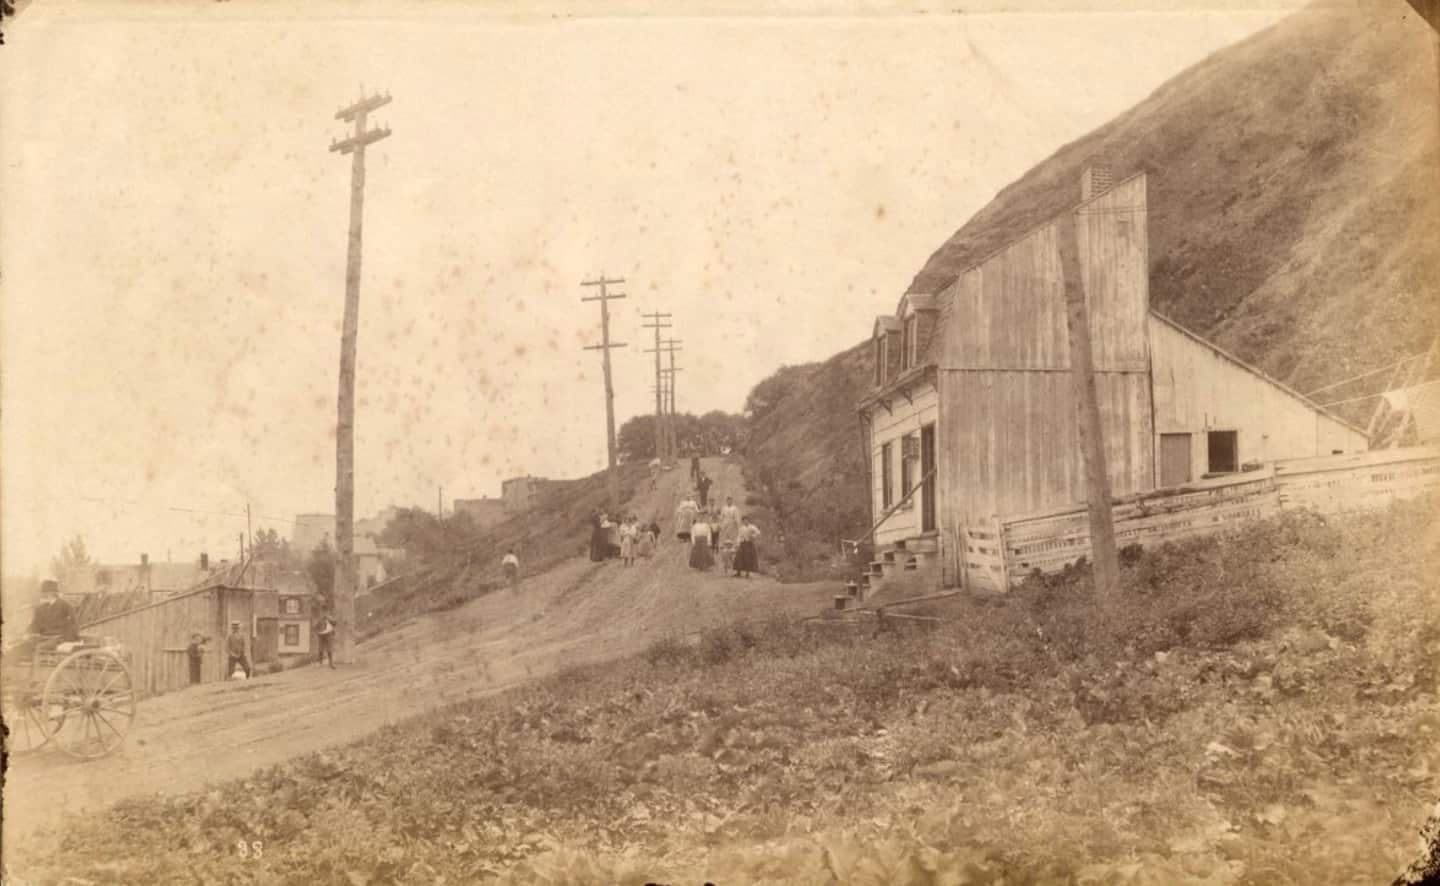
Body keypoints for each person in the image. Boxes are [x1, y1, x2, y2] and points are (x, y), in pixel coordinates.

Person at [27, 580, 79, 644]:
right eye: (43, 594)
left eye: (46, 593)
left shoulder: (65, 605)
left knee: (41, 647)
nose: (44, 596)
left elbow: (74, 624)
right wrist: (29, 633)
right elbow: (35, 623)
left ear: (53, 594)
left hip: (60, 638)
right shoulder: (40, 608)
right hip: (43, 637)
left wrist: (66, 638)